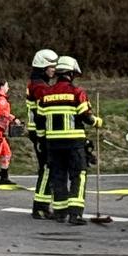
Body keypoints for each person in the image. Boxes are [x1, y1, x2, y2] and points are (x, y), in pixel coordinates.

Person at [38, 55, 96, 223]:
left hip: (53, 145)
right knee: (79, 175)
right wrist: (97, 121)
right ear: (71, 74)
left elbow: (41, 121)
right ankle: (75, 213)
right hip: (74, 144)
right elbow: (87, 117)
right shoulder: (77, 93)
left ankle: (60, 212)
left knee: (58, 176)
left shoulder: (46, 94)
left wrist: (42, 141)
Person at [28, 48, 58, 218]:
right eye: (51, 66)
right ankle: (40, 206)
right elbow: (42, 113)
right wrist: (41, 136)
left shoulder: (38, 84)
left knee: (47, 168)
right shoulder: (39, 87)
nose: (54, 70)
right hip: (41, 133)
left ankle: (42, 204)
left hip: (39, 132)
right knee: (47, 168)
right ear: (43, 67)